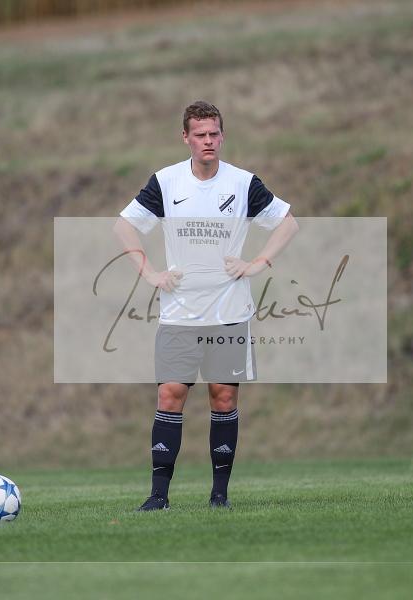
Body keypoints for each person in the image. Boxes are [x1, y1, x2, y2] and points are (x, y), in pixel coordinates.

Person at [114, 101, 298, 511]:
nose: (208, 141)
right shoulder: (166, 182)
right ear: (186, 138)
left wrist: (256, 263)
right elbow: (124, 225)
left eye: (214, 133)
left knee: (223, 399)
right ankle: (158, 497)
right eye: (200, 134)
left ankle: (220, 496)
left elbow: (288, 223)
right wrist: (150, 274)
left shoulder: (243, 183)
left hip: (229, 312)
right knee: (170, 394)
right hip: (179, 312)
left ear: (222, 135)